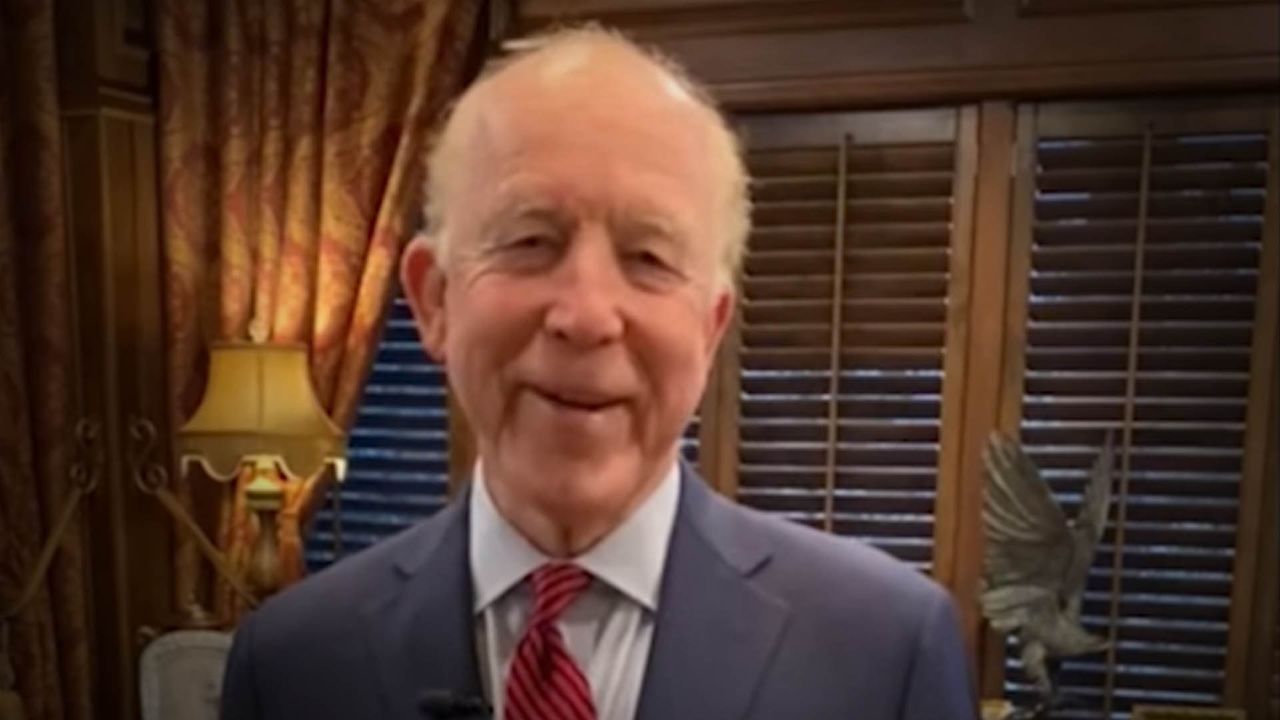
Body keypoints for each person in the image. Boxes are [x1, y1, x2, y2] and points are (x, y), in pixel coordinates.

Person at [220, 26, 976, 720]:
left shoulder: (885, 652)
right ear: (434, 299)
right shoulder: (291, 663)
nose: (586, 316)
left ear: (710, 328)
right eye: (529, 241)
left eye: (648, 258)